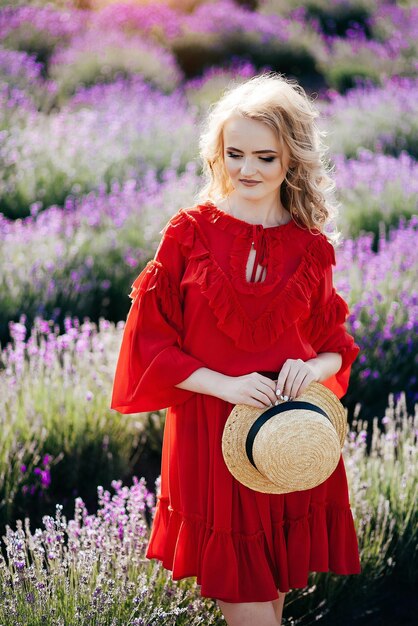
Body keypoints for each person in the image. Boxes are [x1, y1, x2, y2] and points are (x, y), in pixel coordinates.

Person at [110, 72, 361, 626]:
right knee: (248, 601)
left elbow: (335, 347)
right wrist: (224, 384)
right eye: (235, 153)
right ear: (217, 154)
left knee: (269, 596)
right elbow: (148, 342)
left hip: (282, 436)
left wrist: (309, 367)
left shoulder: (311, 247)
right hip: (210, 438)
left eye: (265, 157)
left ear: (292, 160)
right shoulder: (189, 233)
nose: (247, 169)